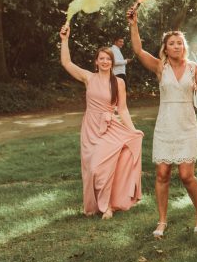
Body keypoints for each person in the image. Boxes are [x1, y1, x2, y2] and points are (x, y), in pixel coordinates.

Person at [127, 6, 197, 238]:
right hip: (165, 125)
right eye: (172, 43)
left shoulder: (192, 68)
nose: (177, 46)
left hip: (186, 125)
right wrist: (133, 23)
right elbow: (137, 50)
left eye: (180, 42)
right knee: (162, 174)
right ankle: (162, 221)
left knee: (187, 175)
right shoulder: (160, 67)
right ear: (165, 49)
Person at [59, 24, 143, 219]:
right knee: (90, 169)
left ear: (112, 63)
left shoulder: (119, 82)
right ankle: (95, 206)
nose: (105, 62)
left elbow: (122, 109)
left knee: (99, 167)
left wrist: (133, 130)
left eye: (108, 59)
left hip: (109, 127)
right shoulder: (89, 78)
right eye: (102, 59)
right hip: (90, 127)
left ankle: (108, 207)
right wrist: (64, 40)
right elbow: (66, 63)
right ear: (96, 62)